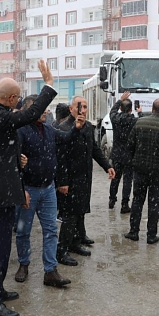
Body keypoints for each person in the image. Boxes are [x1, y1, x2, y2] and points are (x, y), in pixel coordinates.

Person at [0, 60, 56, 316]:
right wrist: (48, 86)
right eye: (18, 100)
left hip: (0, 189)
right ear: (11, 99)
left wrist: (19, 185)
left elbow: (6, 156)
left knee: (0, 246)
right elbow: (29, 116)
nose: (19, 104)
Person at [14, 95, 84, 287]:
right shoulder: (20, 131)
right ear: (30, 111)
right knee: (23, 231)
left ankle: (50, 271)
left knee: (51, 230)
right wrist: (21, 189)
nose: (45, 111)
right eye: (42, 108)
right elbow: (14, 163)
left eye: (46, 108)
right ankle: (24, 264)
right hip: (28, 190)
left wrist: (76, 129)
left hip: (48, 189)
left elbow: (66, 138)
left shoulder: (49, 129)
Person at [56, 96, 115, 262]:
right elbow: (61, 158)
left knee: (80, 212)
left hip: (84, 177)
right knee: (69, 216)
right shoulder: (64, 128)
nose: (82, 110)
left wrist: (107, 166)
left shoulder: (88, 126)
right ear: (71, 109)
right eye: (79, 107)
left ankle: (75, 242)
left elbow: (94, 150)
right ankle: (61, 251)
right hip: (70, 179)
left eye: (85, 107)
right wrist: (63, 181)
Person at [123, 98, 159, 244]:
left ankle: (133, 232)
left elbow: (129, 145)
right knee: (154, 203)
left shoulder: (139, 123)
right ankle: (151, 235)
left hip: (140, 170)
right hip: (158, 172)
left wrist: (135, 161)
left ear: (153, 109)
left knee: (137, 200)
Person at [108, 91, 141, 213]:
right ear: (131, 109)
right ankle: (124, 204)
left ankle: (112, 199)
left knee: (115, 178)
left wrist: (119, 100)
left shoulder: (115, 119)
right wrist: (140, 112)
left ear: (121, 108)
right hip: (129, 155)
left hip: (117, 154)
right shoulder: (134, 121)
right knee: (128, 180)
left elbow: (112, 111)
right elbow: (143, 121)